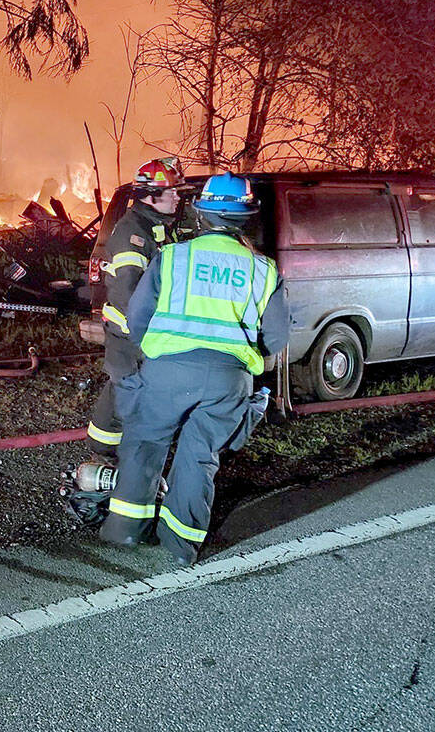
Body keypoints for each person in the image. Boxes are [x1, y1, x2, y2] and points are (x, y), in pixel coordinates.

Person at [99, 172, 291, 564]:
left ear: (201, 215)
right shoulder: (264, 271)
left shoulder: (173, 257)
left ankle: (124, 532)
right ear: (246, 218)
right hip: (228, 380)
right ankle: (181, 544)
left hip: (167, 371)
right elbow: (275, 337)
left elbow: (138, 317)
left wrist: (154, 350)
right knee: (201, 455)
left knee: (145, 443)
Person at [84, 157, 184, 458]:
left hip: (142, 330)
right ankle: (103, 452)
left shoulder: (156, 227)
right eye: (172, 192)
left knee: (134, 392)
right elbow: (129, 290)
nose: (178, 197)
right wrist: (149, 332)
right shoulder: (133, 232)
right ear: (151, 195)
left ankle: (123, 450)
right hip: (131, 333)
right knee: (124, 391)